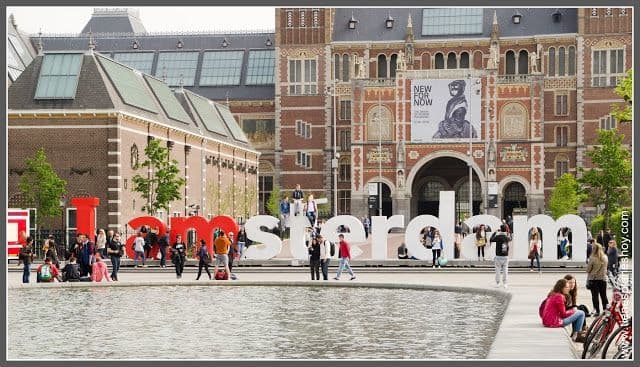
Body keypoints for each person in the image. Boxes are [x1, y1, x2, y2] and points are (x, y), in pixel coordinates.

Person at [586, 243, 609, 316]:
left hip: (594, 279)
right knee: (604, 295)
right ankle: (605, 310)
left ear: (594, 249)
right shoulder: (605, 257)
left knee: (595, 296)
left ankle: (597, 311)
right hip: (603, 279)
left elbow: (588, 270)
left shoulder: (592, 258)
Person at [491, 224, 511, 288]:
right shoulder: (507, 237)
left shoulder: (497, 237)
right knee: (505, 271)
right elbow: (511, 238)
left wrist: (495, 232)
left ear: (500, 229)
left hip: (498, 256)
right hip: (505, 256)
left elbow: (491, 239)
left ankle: (497, 283)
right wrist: (508, 232)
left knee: (497, 270)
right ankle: (505, 283)